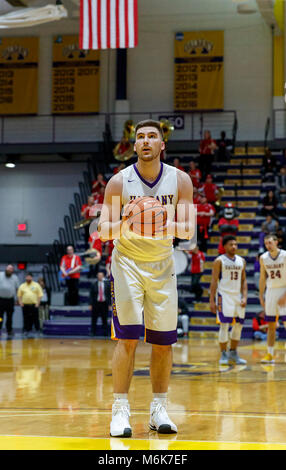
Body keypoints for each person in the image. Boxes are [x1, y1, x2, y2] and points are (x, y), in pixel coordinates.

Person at [98, 119, 194, 437]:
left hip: (162, 265)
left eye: (153, 136)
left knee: (163, 343)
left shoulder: (180, 180)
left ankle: (159, 408)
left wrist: (155, 220)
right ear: (134, 145)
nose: (147, 141)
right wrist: (131, 218)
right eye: (141, 137)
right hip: (127, 264)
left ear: (162, 144)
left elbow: (188, 229)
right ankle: (120, 409)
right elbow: (103, 230)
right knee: (126, 338)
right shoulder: (118, 183)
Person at [210, 235, 248, 365]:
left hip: (237, 297)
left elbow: (244, 280)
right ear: (224, 246)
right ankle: (223, 354)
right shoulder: (219, 261)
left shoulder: (241, 261)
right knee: (224, 326)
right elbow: (214, 282)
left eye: (236, 244)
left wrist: (244, 296)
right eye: (231, 244)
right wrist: (211, 301)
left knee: (238, 326)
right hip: (224, 296)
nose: (234, 247)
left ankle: (233, 352)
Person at [259, 234, 286, 363]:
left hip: (284, 289)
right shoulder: (263, 258)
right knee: (271, 326)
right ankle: (270, 354)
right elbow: (263, 278)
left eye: (270, 243)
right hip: (270, 291)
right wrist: (260, 295)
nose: (268, 246)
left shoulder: (285, 255)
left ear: (276, 242)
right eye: (266, 244)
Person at [17, 273, 43, 338]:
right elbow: (19, 295)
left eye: (29, 277)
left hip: (34, 305)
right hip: (25, 305)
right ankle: (26, 330)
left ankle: (37, 330)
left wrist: (38, 303)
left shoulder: (36, 285)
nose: (28, 278)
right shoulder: (22, 286)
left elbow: (40, 295)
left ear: (32, 278)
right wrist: (20, 302)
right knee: (26, 318)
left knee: (35, 318)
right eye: (27, 277)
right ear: (25, 278)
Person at [0, 265, 19, 339]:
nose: (9, 270)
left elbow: (17, 289)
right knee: (0, 316)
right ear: (6, 269)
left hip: (10, 300)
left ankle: (9, 330)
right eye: (8, 269)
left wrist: (18, 299)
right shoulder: (0, 275)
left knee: (9, 316)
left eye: (11, 270)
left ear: (12, 271)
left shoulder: (15, 278)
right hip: (0, 300)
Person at [89, 271, 111, 337]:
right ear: (97, 276)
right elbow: (91, 295)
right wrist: (90, 304)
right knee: (94, 319)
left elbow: (109, 295)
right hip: (96, 304)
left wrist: (109, 304)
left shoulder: (107, 284)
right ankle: (93, 332)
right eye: (99, 275)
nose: (100, 277)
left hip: (104, 304)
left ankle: (105, 332)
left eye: (101, 275)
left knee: (104, 319)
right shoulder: (94, 284)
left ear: (103, 276)